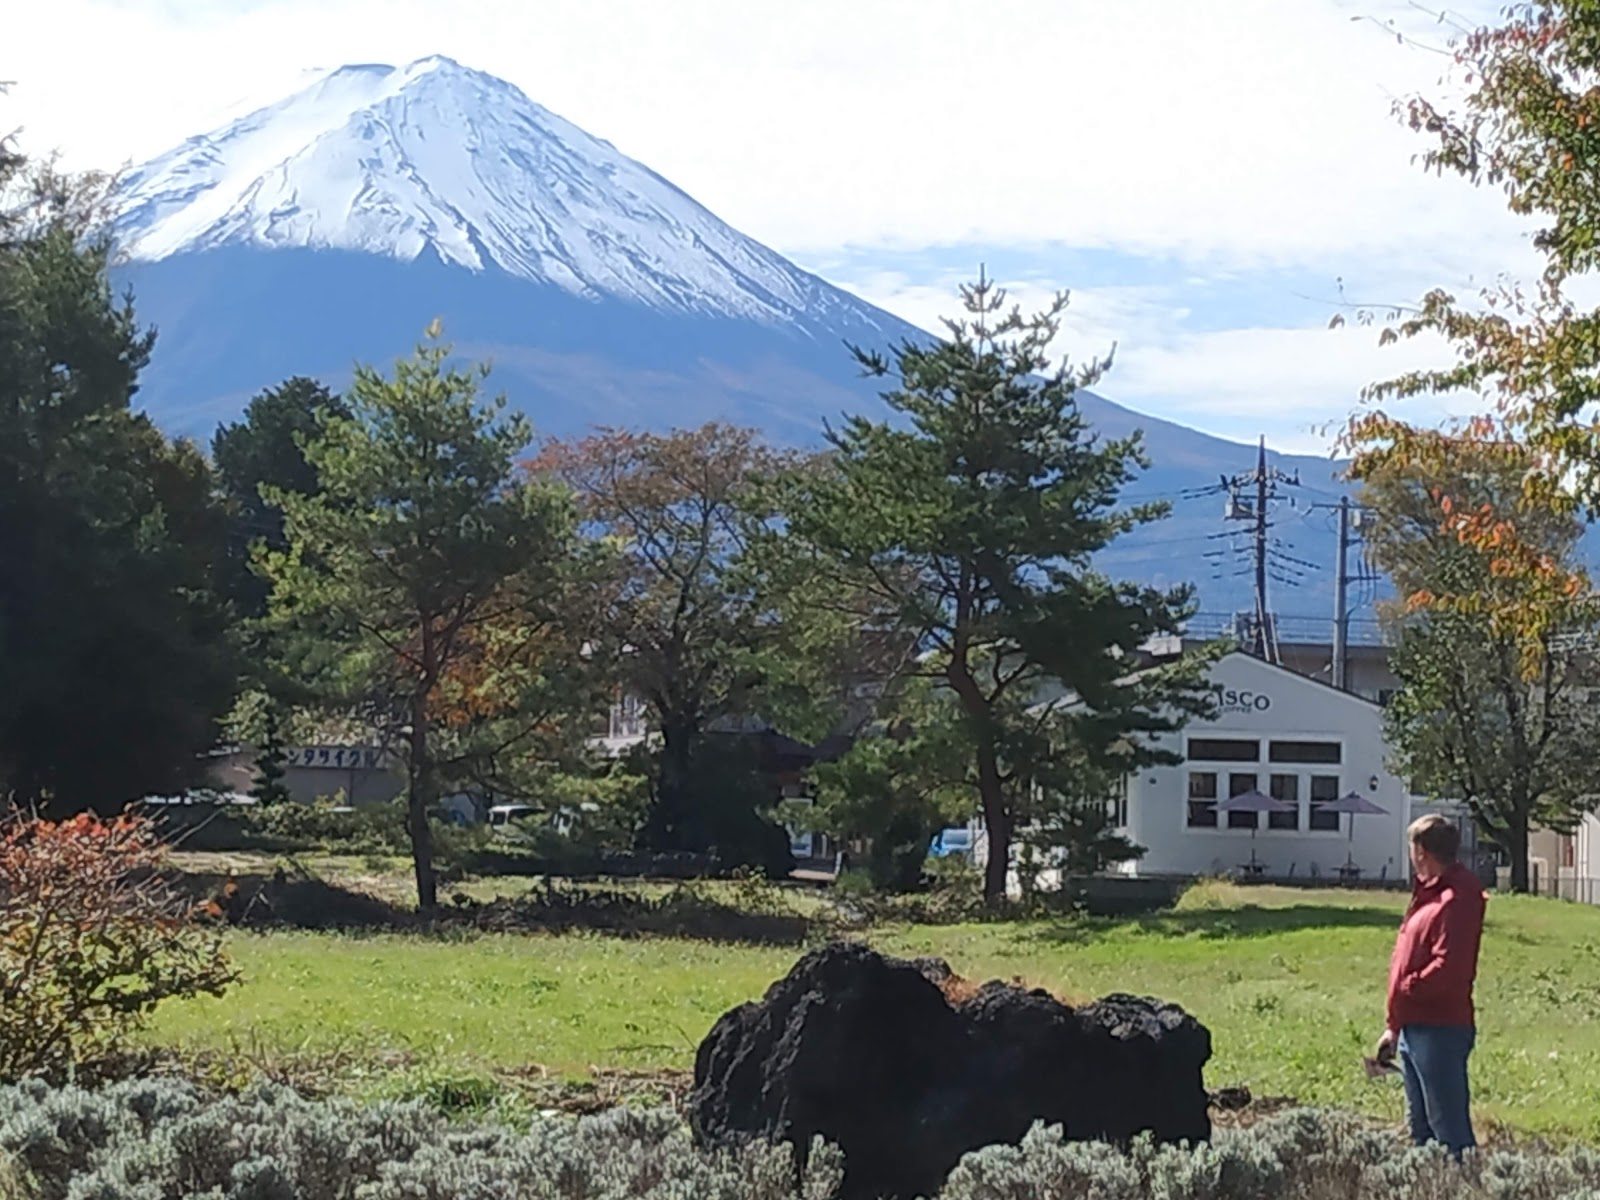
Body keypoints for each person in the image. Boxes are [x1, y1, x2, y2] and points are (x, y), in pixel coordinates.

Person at [1376, 814, 1487, 1158]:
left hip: (1439, 1028)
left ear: (1421, 851)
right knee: (1421, 1132)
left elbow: (1449, 967)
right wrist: (1394, 1027)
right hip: (1414, 1027)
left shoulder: (1455, 897)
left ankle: (1464, 1190)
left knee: (1449, 1134)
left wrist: (1407, 989)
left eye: (1412, 847)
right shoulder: (1430, 894)